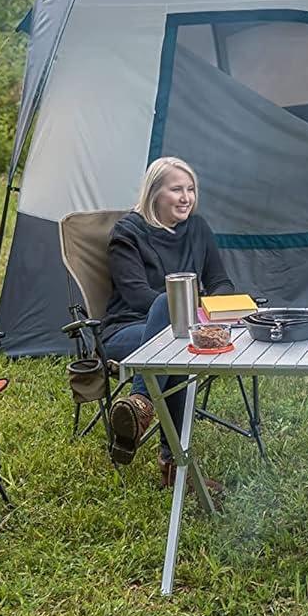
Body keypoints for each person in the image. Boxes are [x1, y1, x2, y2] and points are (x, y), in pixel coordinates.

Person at [101, 157, 235, 487]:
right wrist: (190, 319)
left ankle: (140, 408)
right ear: (154, 193)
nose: (186, 197)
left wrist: (213, 311)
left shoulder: (198, 229)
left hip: (183, 332)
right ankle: (174, 463)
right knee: (169, 312)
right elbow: (136, 297)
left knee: (178, 344)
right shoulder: (127, 233)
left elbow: (220, 282)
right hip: (128, 331)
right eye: (177, 189)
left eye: (191, 189)